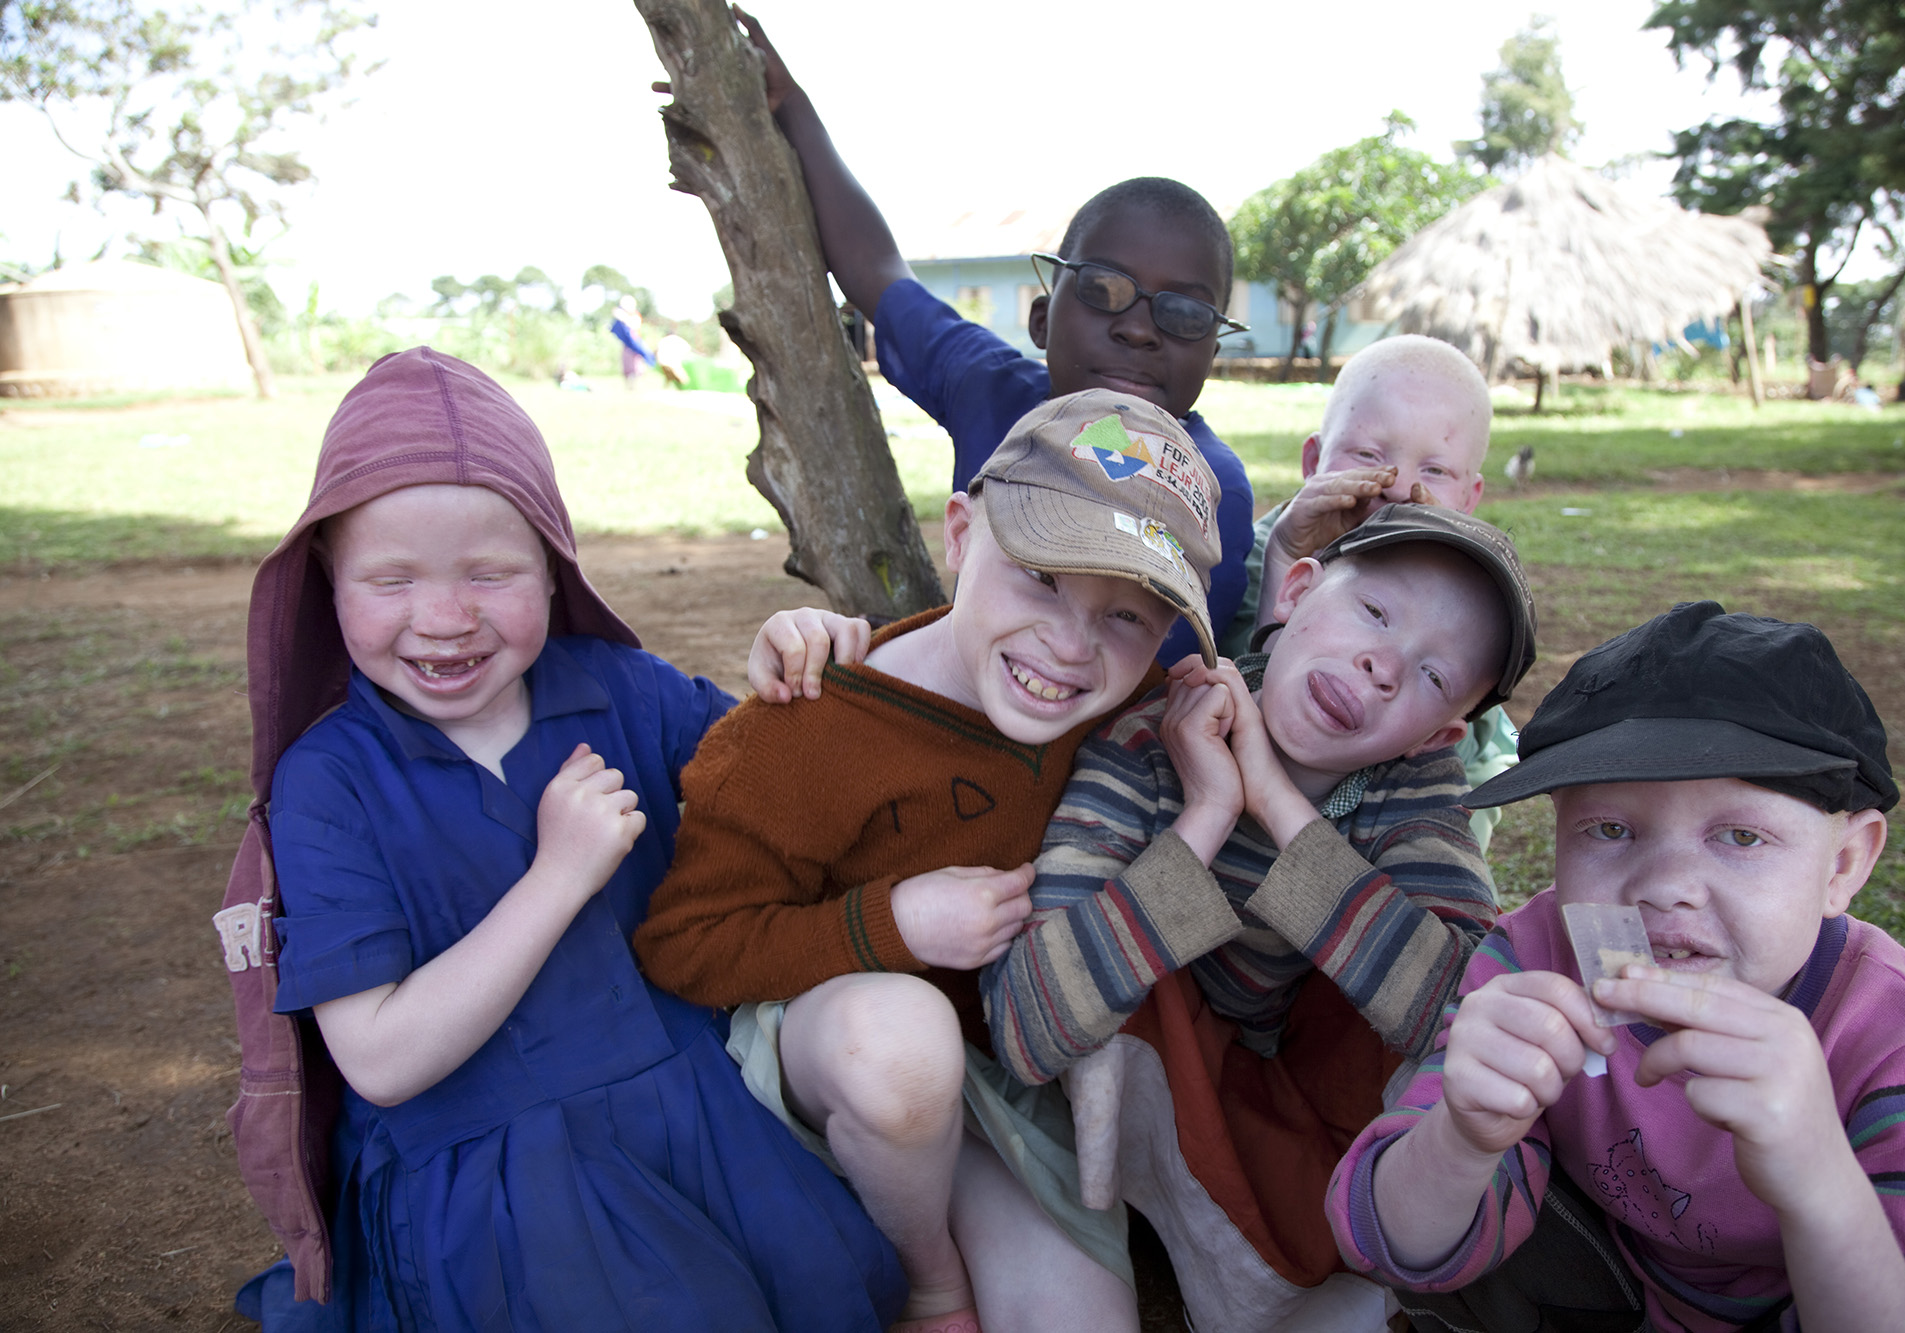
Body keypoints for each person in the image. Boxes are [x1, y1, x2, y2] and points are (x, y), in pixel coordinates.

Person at [221, 346, 905, 1331]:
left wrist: (791, 679)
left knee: (824, 1293)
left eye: (490, 573)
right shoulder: (329, 780)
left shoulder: (620, 689)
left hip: (698, 1116)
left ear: (552, 563)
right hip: (502, 1175)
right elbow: (378, 1058)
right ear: (328, 573)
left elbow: (797, 809)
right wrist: (557, 877)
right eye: (392, 579)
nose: (444, 619)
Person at [635, 389, 1226, 1333]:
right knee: (900, 1042)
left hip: (997, 1092)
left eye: (1127, 615)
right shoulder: (806, 725)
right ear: (959, 532)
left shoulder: (1138, 716)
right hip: (829, 1064)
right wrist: (894, 922)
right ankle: (930, 1283)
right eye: (1039, 577)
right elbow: (685, 946)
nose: (1069, 646)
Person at [1327, 602, 1905, 1333]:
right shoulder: (1534, 960)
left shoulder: (1901, 1046)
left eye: (1741, 835)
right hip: (1604, 1280)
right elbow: (1383, 1239)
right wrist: (1462, 1136)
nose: (1666, 883)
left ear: (1843, 863)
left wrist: (1820, 1180)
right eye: (1610, 829)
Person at [985, 505, 1537, 1332]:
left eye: (1432, 676)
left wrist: (1275, 802)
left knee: (1446, 1005)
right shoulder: (1144, 743)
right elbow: (1026, 1025)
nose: (1383, 664)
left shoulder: (1411, 785)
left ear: (1444, 732)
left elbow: (1463, 1017)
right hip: (1162, 1079)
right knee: (1108, 978)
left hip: (1289, 1084)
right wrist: (1207, 811)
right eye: (1375, 613)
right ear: (1295, 589)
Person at [704, 9, 1254, 668]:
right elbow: (876, 273)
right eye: (1104, 289)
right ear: (1042, 321)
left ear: (1211, 356)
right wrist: (794, 108)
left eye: (1184, 314)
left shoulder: (1212, 491)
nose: (1138, 327)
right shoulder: (991, 388)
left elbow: (1166, 688)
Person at [1217, 333, 1515, 849]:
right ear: (1314, 461)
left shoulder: (1473, 612)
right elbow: (1266, 698)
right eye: (1368, 453)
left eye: (1436, 470)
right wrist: (1284, 554)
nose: (1397, 485)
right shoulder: (1242, 557)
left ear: (1469, 498)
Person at [609, 294, 656, 388]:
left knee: (636, 367)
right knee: (627, 367)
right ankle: (629, 387)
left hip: (635, 343)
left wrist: (624, 318)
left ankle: (635, 386)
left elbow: (634, 326)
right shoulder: (621, 314)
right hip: (627, 346)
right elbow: (616, 313)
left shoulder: (635, 316)